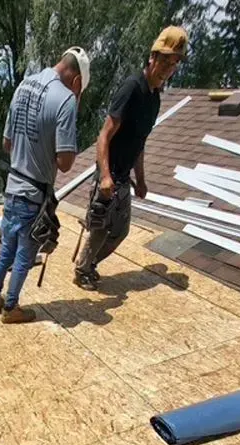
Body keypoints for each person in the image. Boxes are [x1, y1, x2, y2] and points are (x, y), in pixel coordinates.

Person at [73, 26, 188, 290]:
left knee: (121, 231)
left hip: (124, 176)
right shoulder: (132, 88)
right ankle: (82, 270)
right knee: (100, 226)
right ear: (153, 58)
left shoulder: (154, 98)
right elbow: (104, 136)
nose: (168, 70)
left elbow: (140, 142)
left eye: (174, 64)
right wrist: (104, 176)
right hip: (108, 173)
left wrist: (142, 180)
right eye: (165, 62)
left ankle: (89, 264)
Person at [0, 47, 90, 323]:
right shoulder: (66, 99)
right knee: (25, 253)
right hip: (33, 193)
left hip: (12, 186)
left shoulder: (23, 85)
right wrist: (73, 108)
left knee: (7, 246)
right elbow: (66, 161)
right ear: (78, 81)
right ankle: (11, 308)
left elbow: (7, 144)